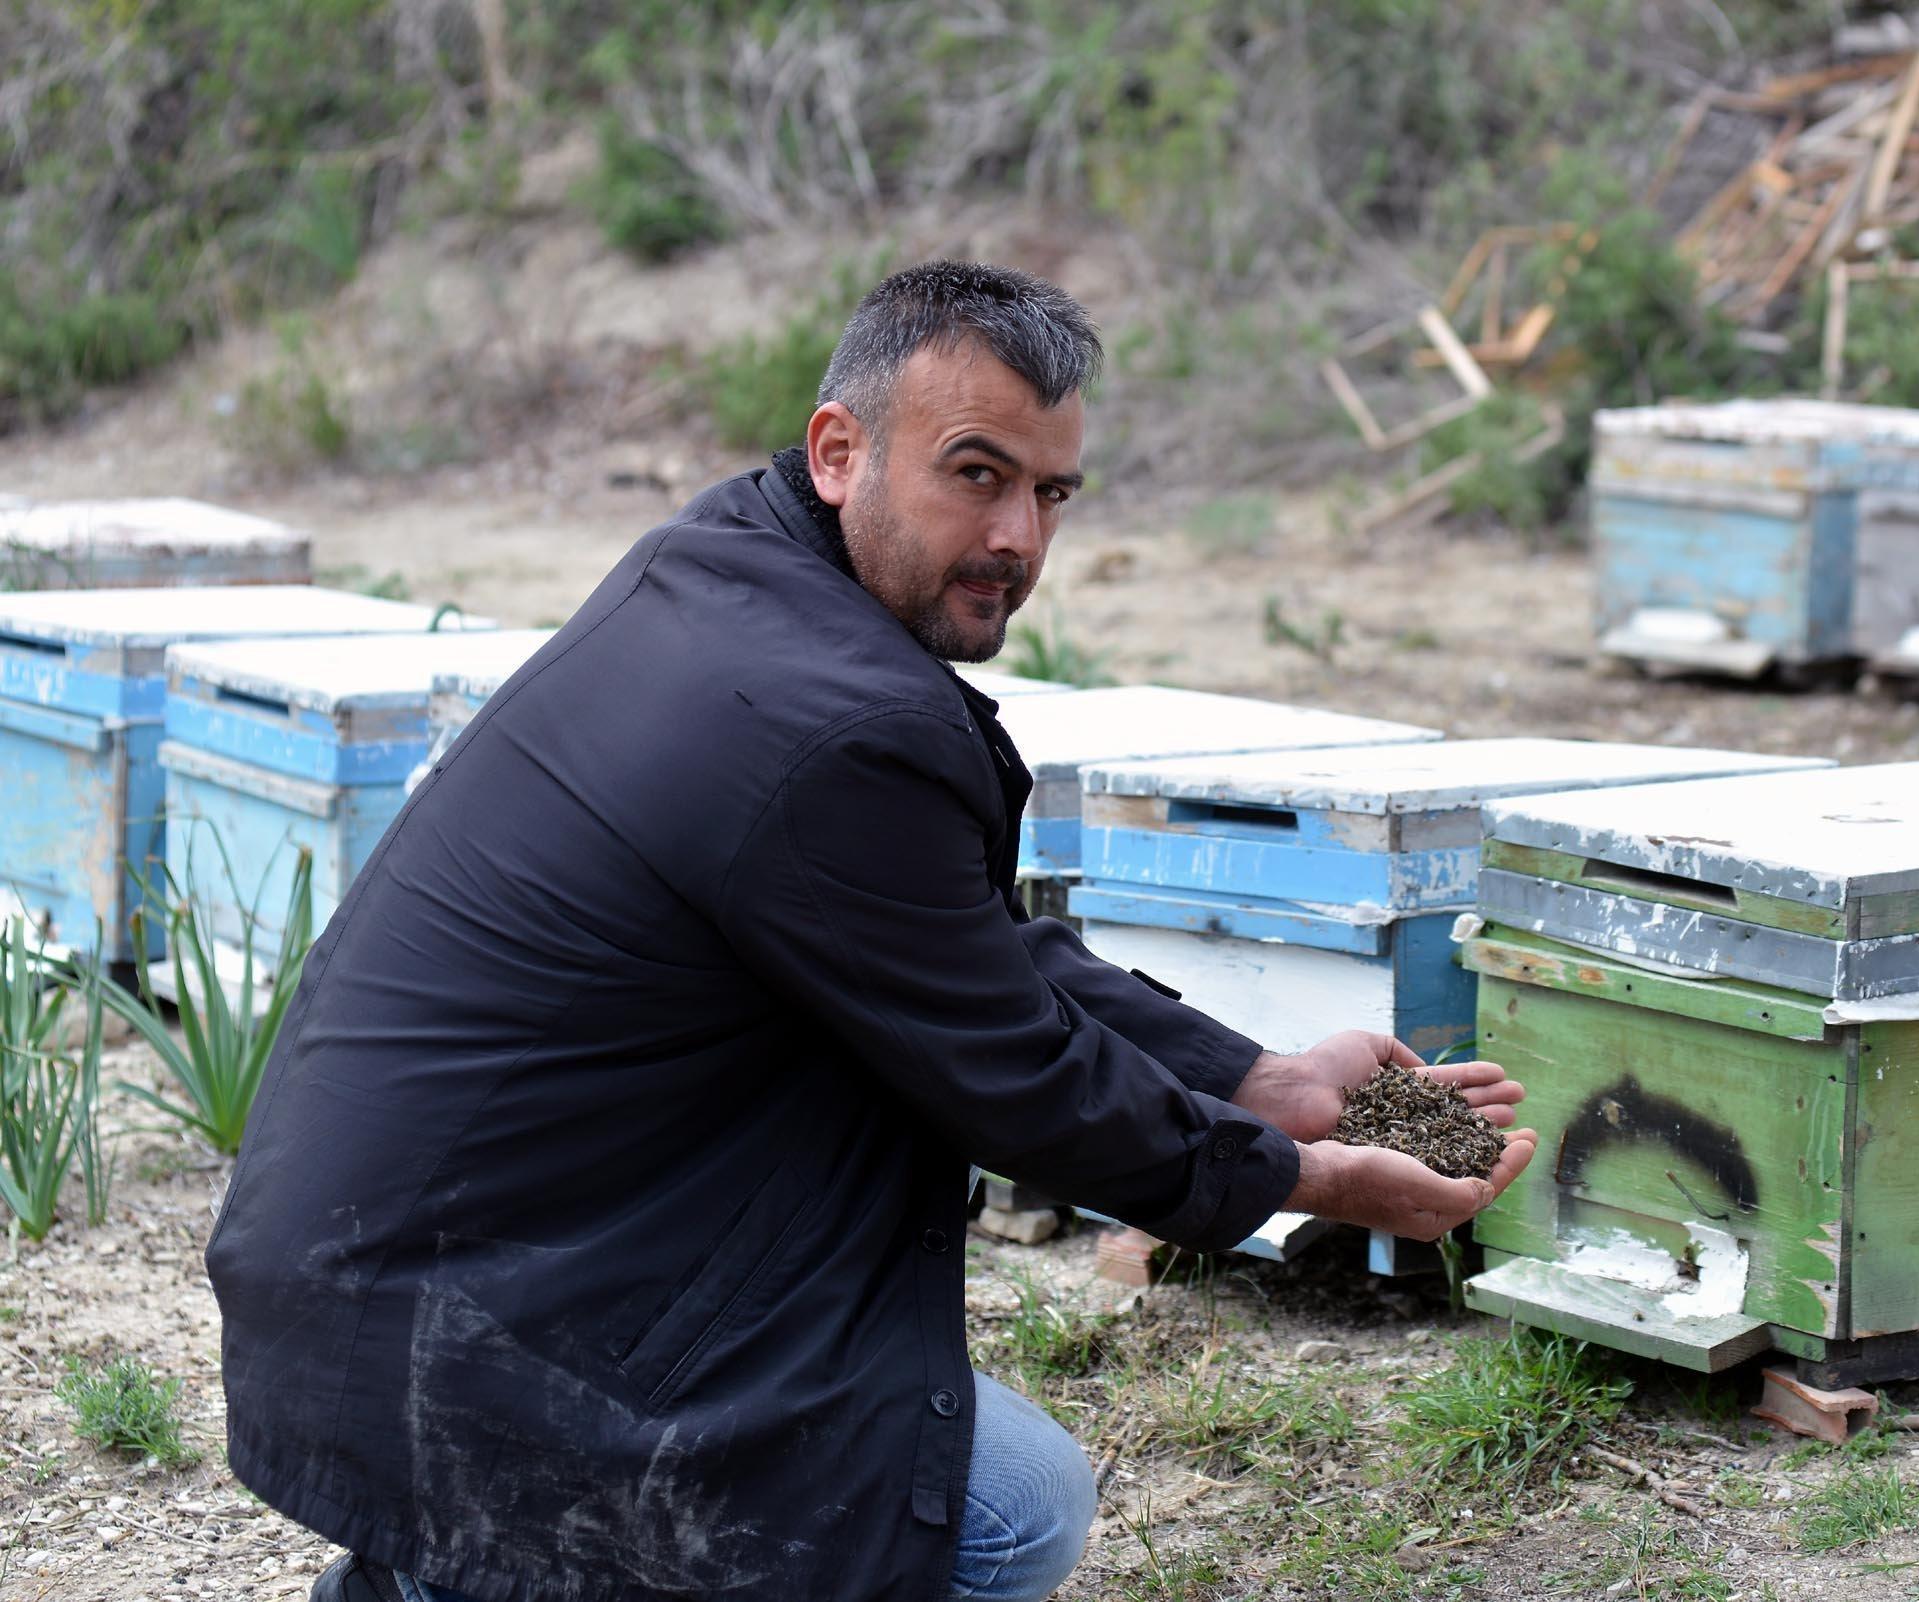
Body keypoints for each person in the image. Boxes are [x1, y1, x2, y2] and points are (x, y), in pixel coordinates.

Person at [208, 260, 1539, 1602]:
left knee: (1004, 1489)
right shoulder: (830, 718)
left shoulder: (733, 563)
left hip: (429, 1261)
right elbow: (1021, 1080)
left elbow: (960, 951)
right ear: (839, 450)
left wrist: (1271, 1082)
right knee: (999, 1520)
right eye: (976, 472)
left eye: (1051, 490)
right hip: (470, 1316)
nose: (1019, 533)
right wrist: (1311, 1179)